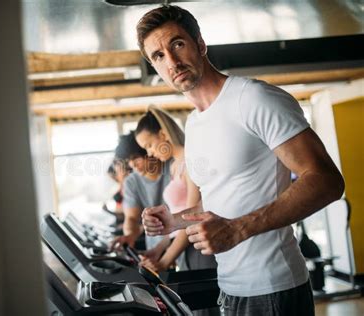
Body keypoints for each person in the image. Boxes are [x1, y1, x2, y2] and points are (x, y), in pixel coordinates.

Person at [137, 5, 344, 316]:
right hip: (230, 288)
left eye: (177, 44)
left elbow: (326, 181)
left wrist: (237, 230)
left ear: (200, 45)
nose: (172, 61)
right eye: (158, 56)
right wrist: (174, 220)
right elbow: (222, 199)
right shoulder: (195, 123)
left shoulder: (254, 99)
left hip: (274, 287)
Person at [135, 105, 216, 272]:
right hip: (183, 248)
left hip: (198, 248)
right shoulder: (174, 166)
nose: (150, 153)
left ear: (163, 135)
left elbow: (191, 217)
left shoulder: (190, 161)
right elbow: (176, 221)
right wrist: (158, 251)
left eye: (149, 145)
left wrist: (164, 261)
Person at [111, 131, 171, 250]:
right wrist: (129, 235)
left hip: (182, 241)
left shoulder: (172, 168)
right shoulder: (131, 182)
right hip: (155, 249)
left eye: (136, 158)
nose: (132, 164)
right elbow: (132, 218)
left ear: (148, 150)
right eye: (128, 160)